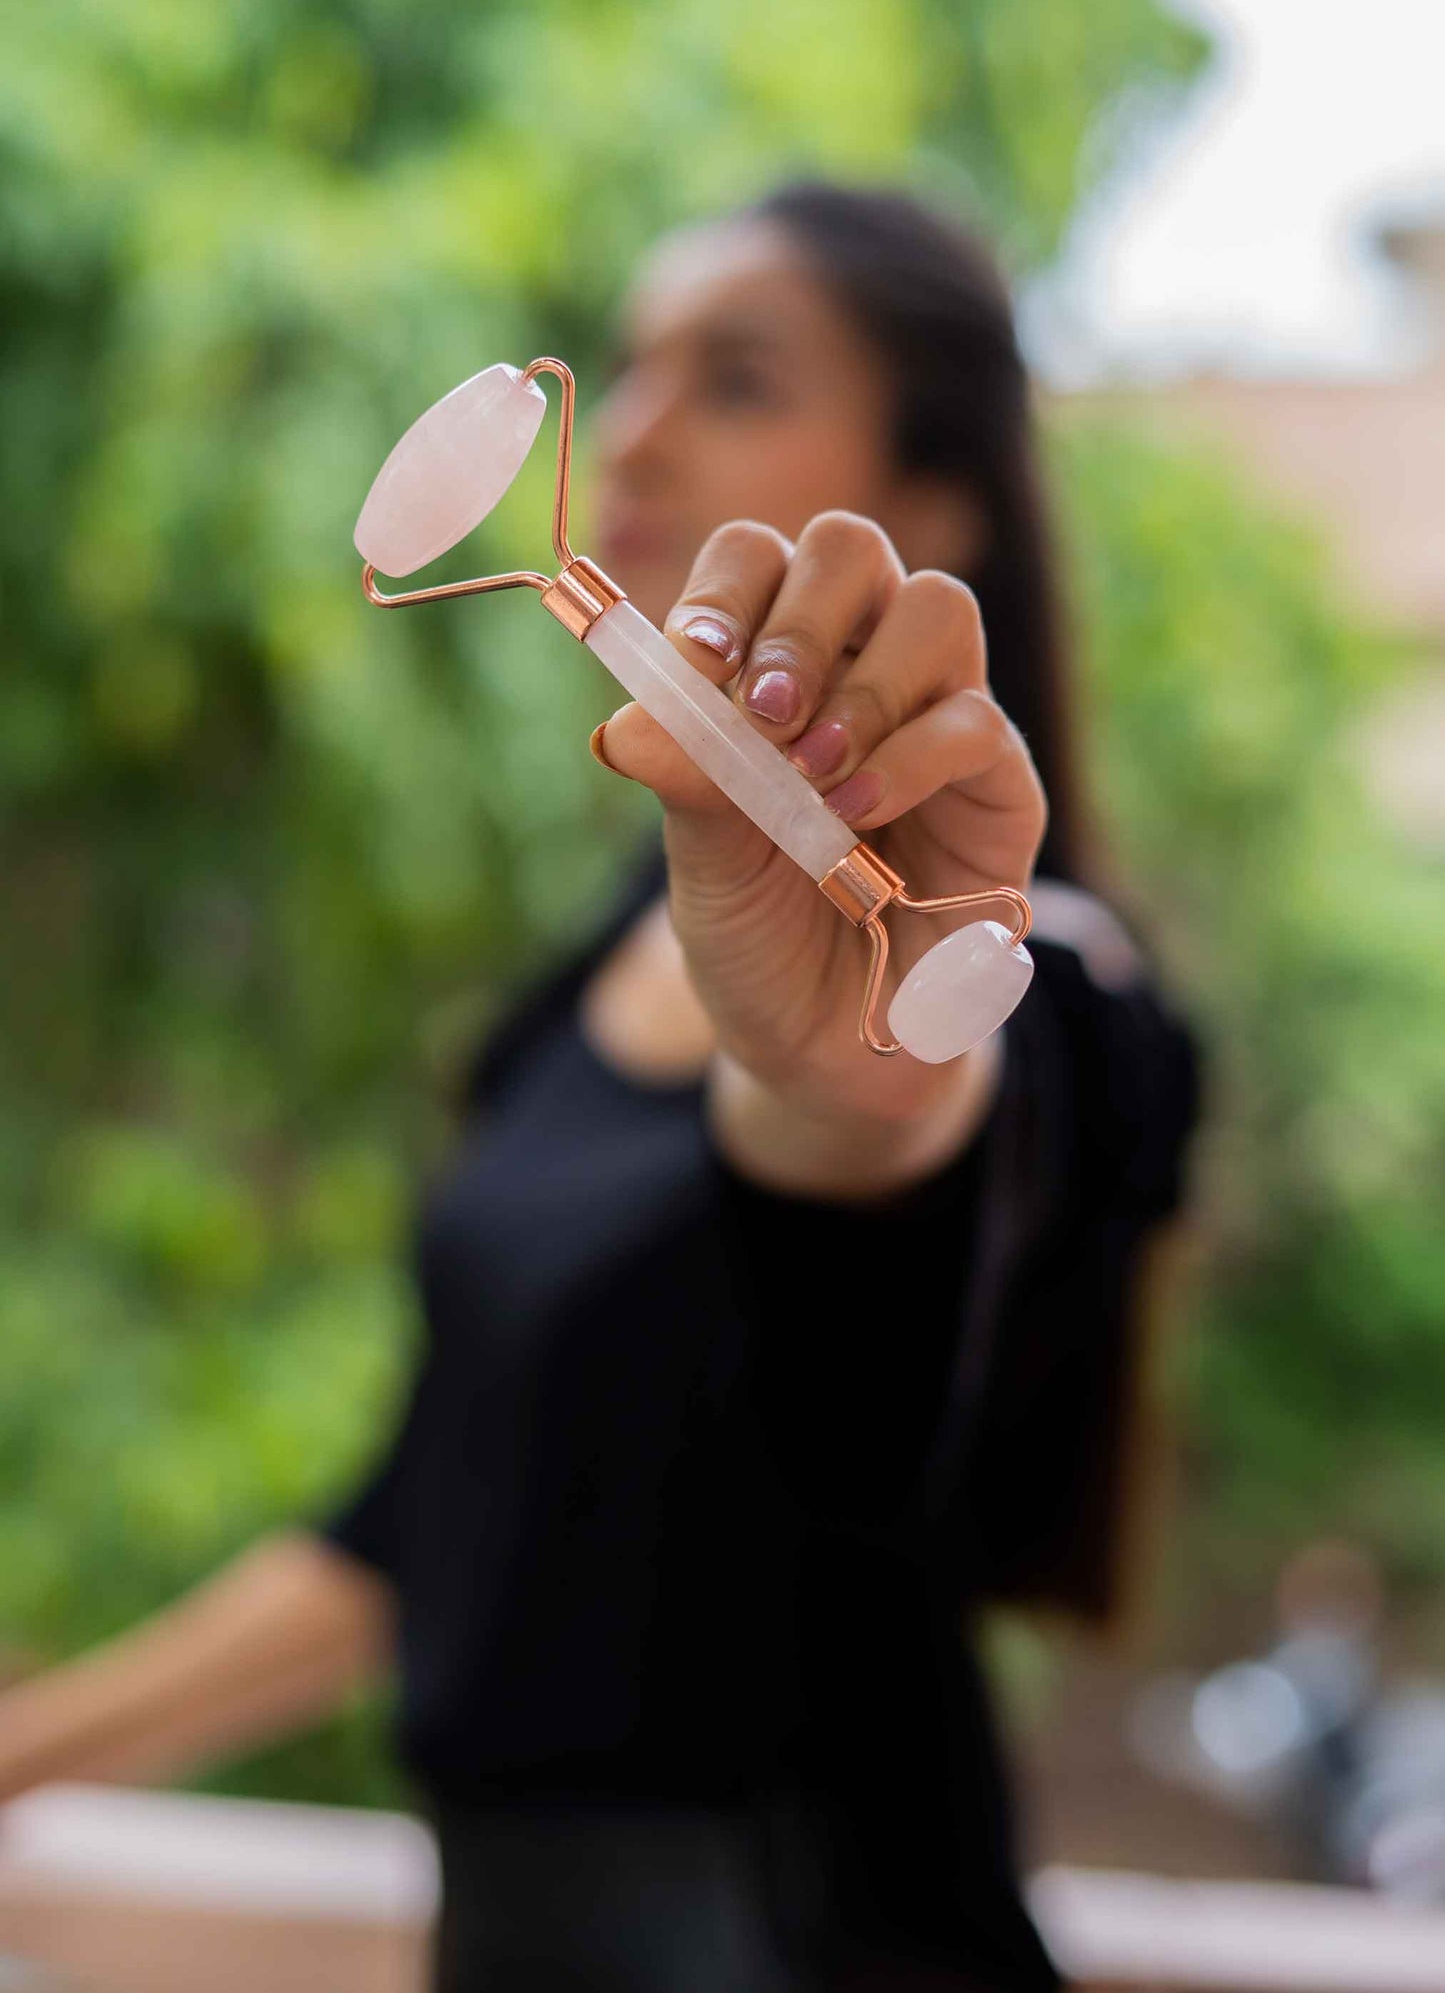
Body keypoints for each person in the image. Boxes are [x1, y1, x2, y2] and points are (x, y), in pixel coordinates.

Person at [0, 179, 1204, 1991]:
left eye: (737, 379)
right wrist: (25, 1752)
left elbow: (900, 1140)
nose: (633, 433)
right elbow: (428, 1528)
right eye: (631, 368)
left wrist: (854, 1073)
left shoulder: (1047, 992)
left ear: (937, 509)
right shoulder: (582, 993)